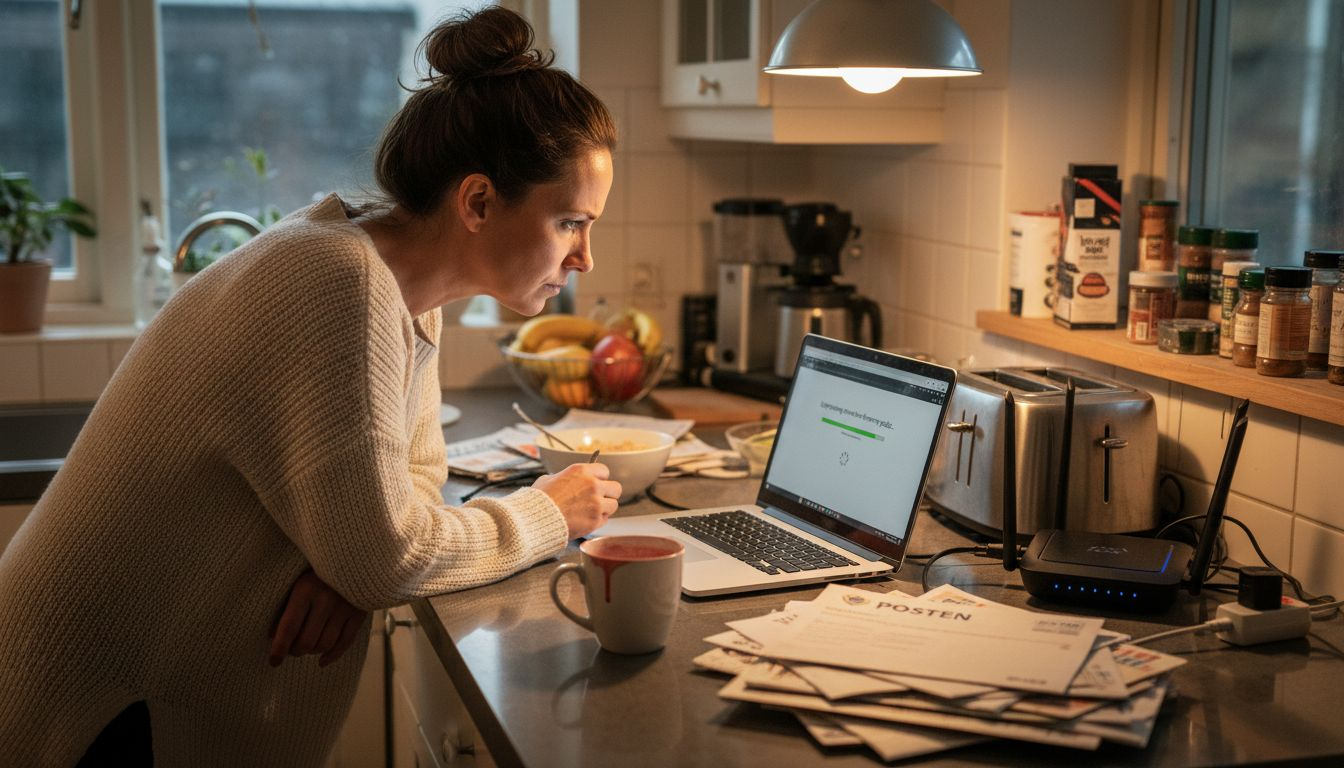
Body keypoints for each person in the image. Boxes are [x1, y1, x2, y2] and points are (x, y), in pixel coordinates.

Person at [0, 7, 620, 766]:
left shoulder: (402, 289)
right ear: (480, 202)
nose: (586, 257)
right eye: (570, 223)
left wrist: (348, 565)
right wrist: (545, 513)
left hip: (129, 695)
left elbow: (406, 493)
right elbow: (389, 554)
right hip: (91, 712)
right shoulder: (341, 280)